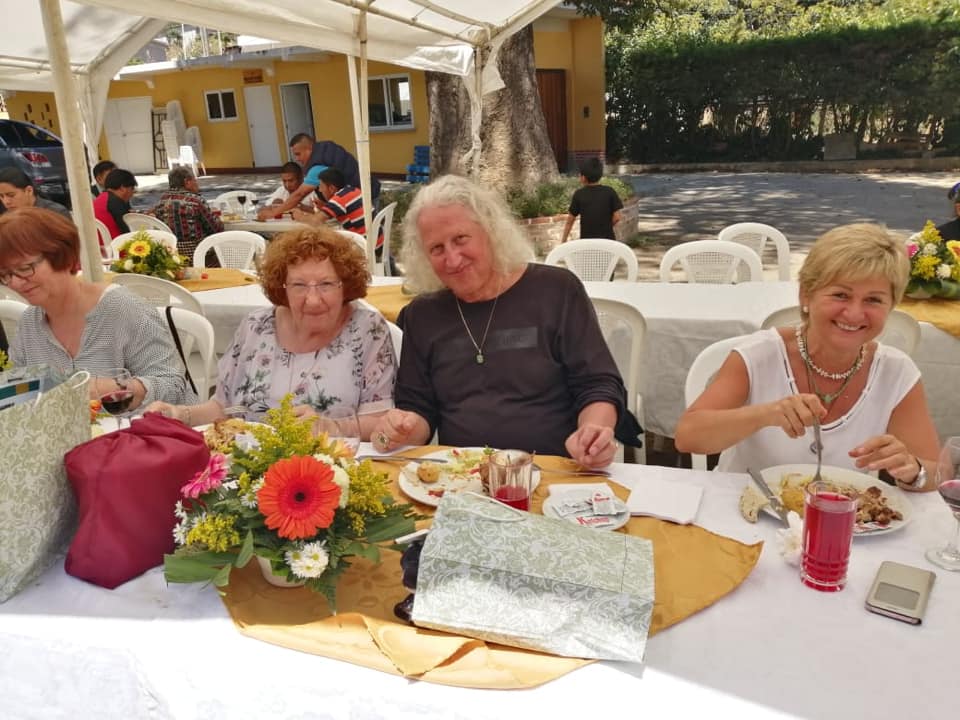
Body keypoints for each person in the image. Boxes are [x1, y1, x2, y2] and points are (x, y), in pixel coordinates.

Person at [370, 175, 638, 469]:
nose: (452, 258)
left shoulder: (556, 290)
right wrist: (403, 427)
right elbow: (418, 409)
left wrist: (593, 432)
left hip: (556, 470)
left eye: (460, 239)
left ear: (490, 231)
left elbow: (597, 383)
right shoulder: (422, 315)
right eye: (436, 248)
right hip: (463, 478)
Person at [675, 223, 939, 492]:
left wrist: (912, 470)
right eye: (840, 295)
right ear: (806, 295)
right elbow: (689, 436)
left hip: (848, 526)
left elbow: (937, 472)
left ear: (891, 306)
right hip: (746, 515)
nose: (855, 313)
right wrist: (766, 414)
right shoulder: (760, 355)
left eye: (873, 300)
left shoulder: (896, 372)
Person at [146, 225, 396, 438]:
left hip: (331, 471)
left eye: (327, 284)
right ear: (282, 287)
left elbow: (380, 421)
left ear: (346, 286)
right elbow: (224, 407)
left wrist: (330, 427)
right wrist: (181, 414)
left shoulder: (367, 331)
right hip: (249, 466)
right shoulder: (256, 326)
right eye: (298, 285)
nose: (312, 299)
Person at [0, 207, 195, 408]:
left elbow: (174, 387)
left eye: (24, 268)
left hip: (141, 433)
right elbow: (17, 398)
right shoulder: (30, 324)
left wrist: (116, 388)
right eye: (5, 274)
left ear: (63, 256)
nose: (15, 283)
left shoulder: (122, 309)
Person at [259, 134, 380, 219]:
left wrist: (274, 213)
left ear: (309, 149)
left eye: (298, 154)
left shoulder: (318, 165)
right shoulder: (326, 149)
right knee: (375, 236)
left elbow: (299, 194)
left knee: (368, 238)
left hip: (363, 198)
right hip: (368, 189)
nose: (297, 159)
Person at [151, 166, 224, 265]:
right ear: (187, 182)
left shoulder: (162, 200)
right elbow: (215, 229)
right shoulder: (196, 201)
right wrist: (219, 220)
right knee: (228, 248)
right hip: (198, 254)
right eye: (195, 180)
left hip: (172, 255)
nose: (197, 184)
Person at [560, 157, 623, 243]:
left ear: (583, 178)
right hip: (607, 242)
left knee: (588, 256)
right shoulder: (609, 192)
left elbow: (569, 222)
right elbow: (617, 217)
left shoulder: (579, 194)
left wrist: (563, 241)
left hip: (587, 243)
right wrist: (607, 227)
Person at [0, 167, 72, 219]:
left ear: (29, 191)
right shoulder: (5, 214)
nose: (6, 202)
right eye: (1, 196)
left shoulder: (55, 213)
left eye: (11, 195)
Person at [93, 168, 137, 238]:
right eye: (132, 188)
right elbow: (128, 231)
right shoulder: (115, 202)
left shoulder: (103, 197)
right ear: (122, 188)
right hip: (115, 245)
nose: (133, 193)